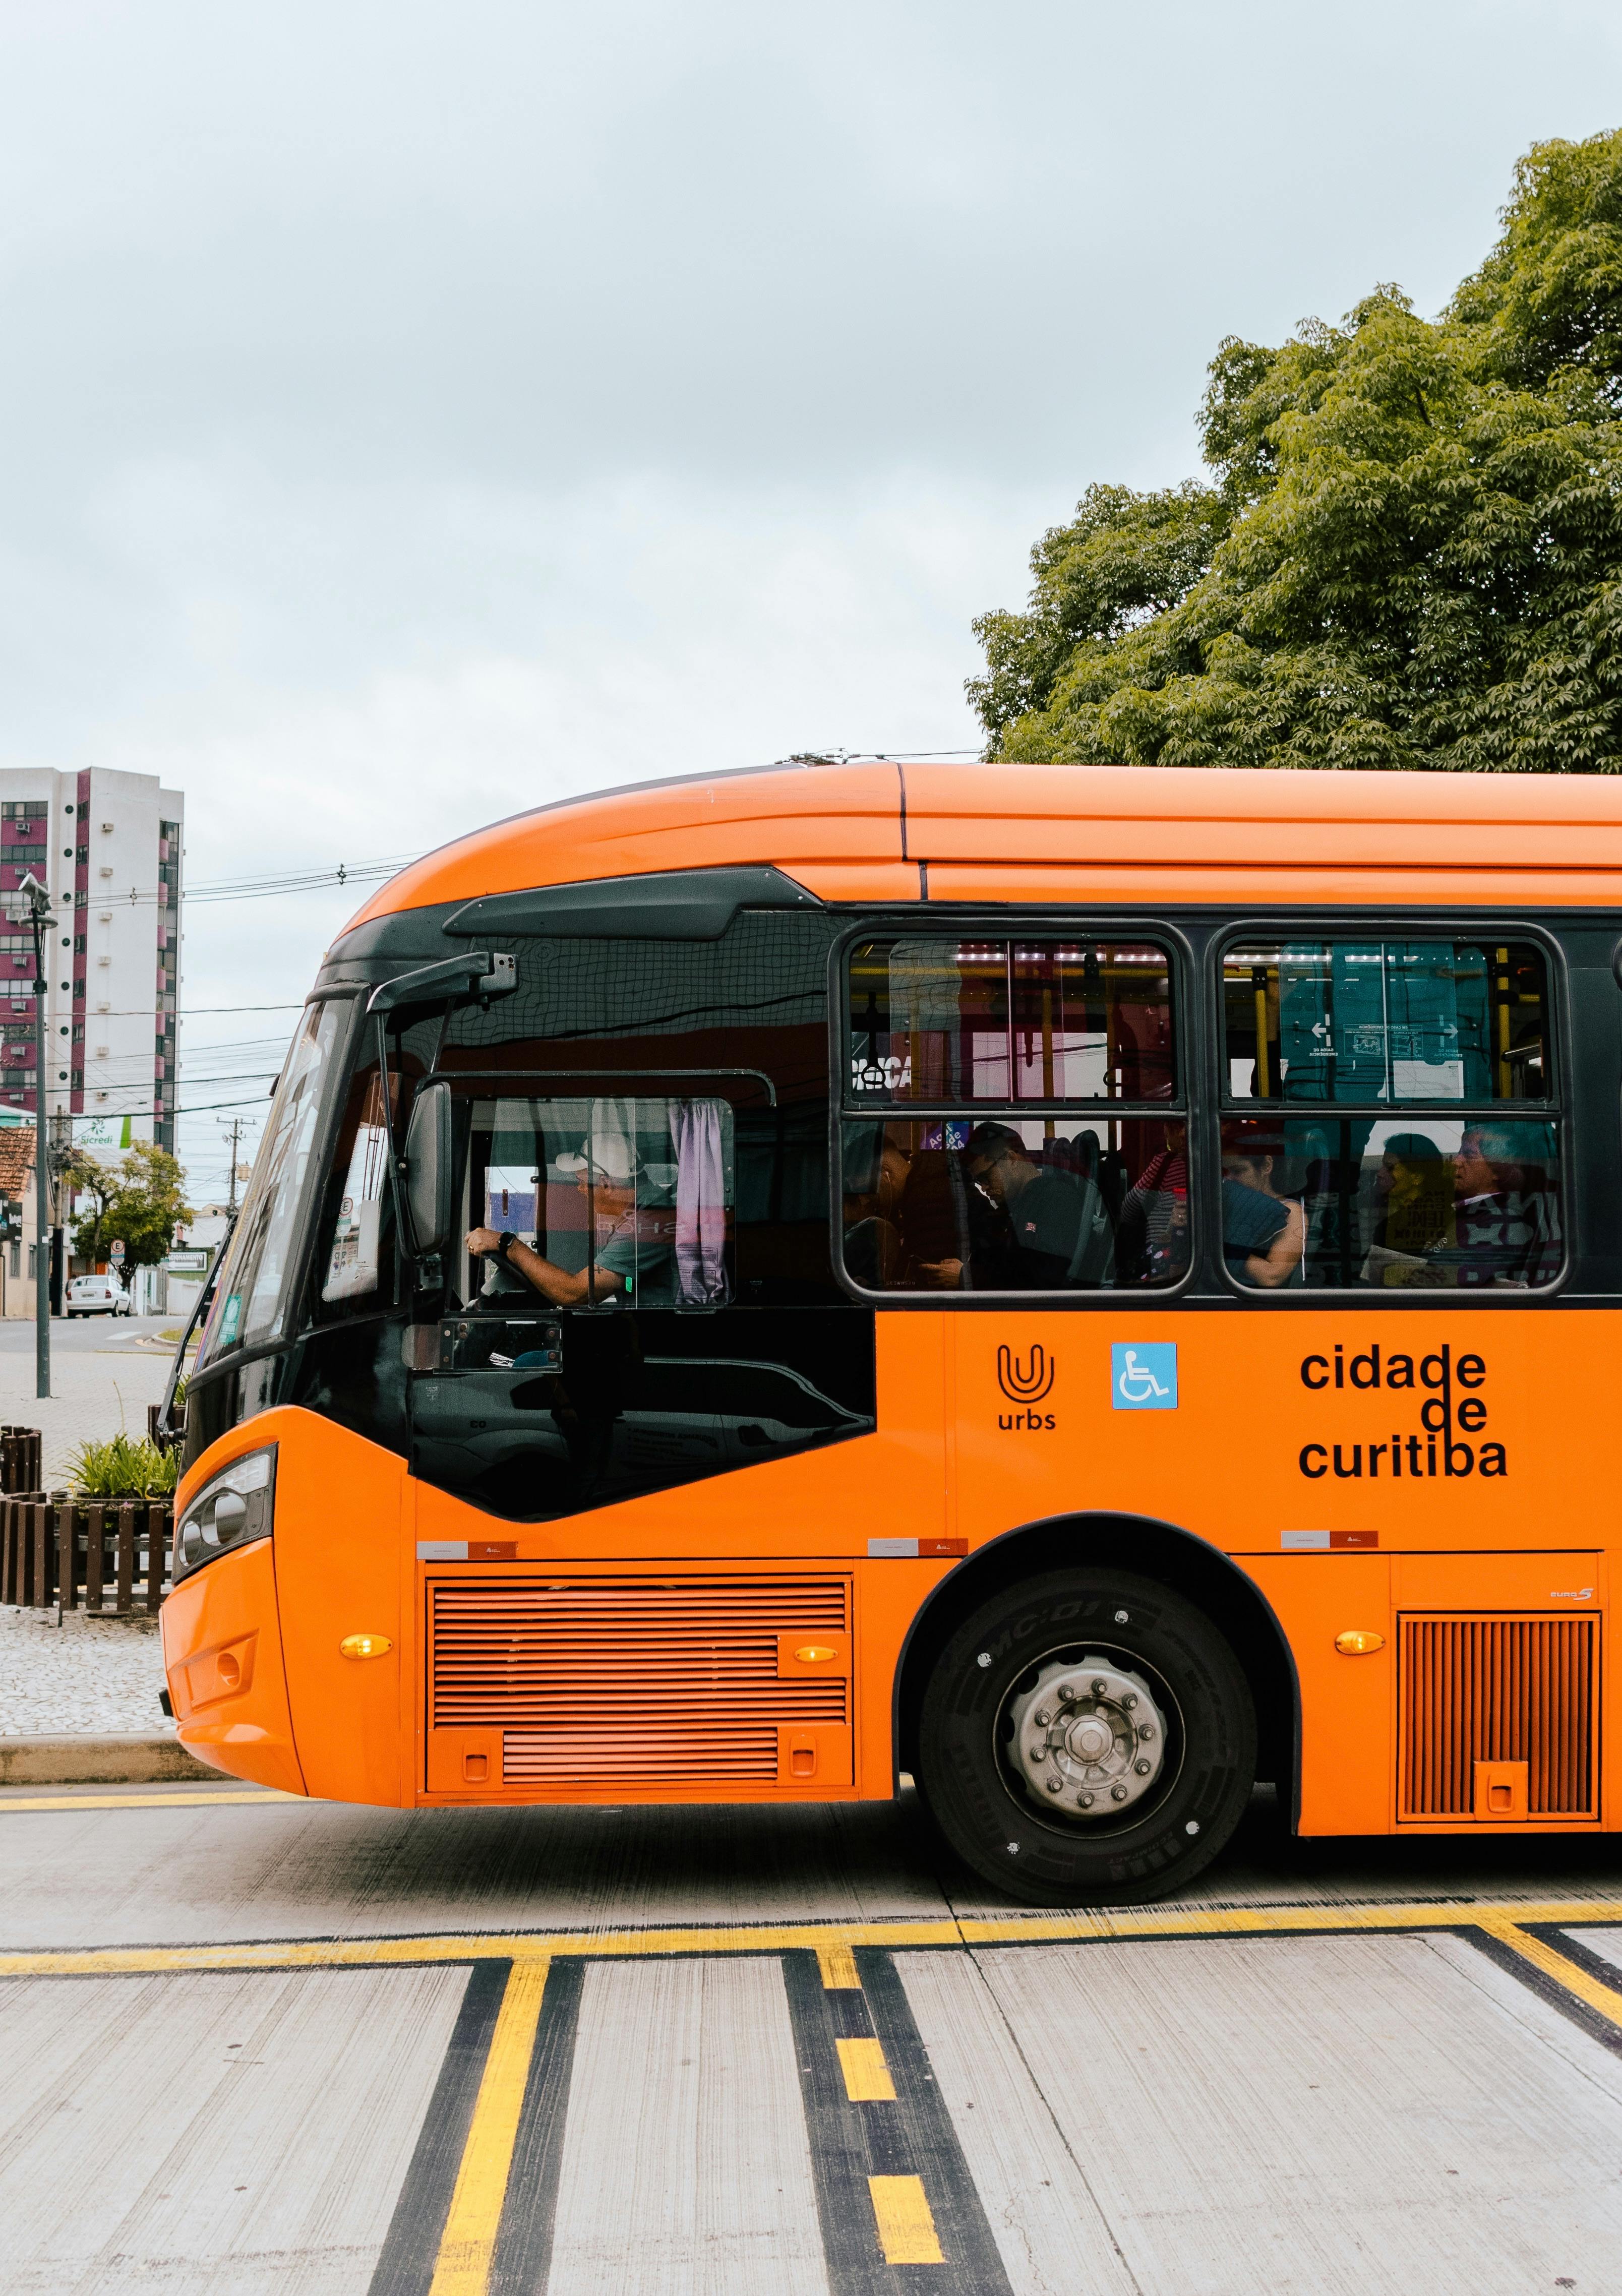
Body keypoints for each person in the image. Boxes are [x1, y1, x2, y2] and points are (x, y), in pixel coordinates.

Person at [466, 1130, 675, 1307]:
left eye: (582, 1181)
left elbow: (577, 1294)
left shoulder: (648, 1222)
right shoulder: (641, 1213)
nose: (580, 1189)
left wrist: (508, 1245)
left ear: (606, 1185)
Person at [919, 1122, 1087, 1289]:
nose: (984, 1188)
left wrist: (968, 1277)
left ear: (1012, 1159)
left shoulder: (1056, 1199)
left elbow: (1046, 1277)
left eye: (986, 1177)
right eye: (979, 1182)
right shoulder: (1010, 1210)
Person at [1441, 1122, 1558, 1287]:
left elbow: (1457, 1277)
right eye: (1459, 1153)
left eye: (1469, 1155)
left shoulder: (1502, 1223)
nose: (1456, 1162)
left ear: (1497, 1168)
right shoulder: (1464, 1211)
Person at [1221, 1131, 1304, 1288]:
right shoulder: (1225, 1203)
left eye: (1238, 1171)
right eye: (1225, 1173)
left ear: (1266, 1166)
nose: (1229, 1180)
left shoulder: (1291, 1212)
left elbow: (1272, 1276)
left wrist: (1217, 1246)